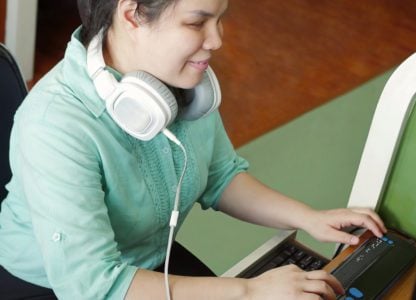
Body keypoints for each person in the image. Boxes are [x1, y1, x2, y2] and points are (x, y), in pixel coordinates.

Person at [0, 0, 387, 299]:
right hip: (57, 285)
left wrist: (308, 218)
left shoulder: (180, 84)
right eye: (197, 22)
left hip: (148, 262)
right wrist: (250, 291)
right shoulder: (55, 125)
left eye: (220, 19)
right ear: (133, 14)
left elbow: (220, 175)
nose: (217, 39)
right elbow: (94, 286)